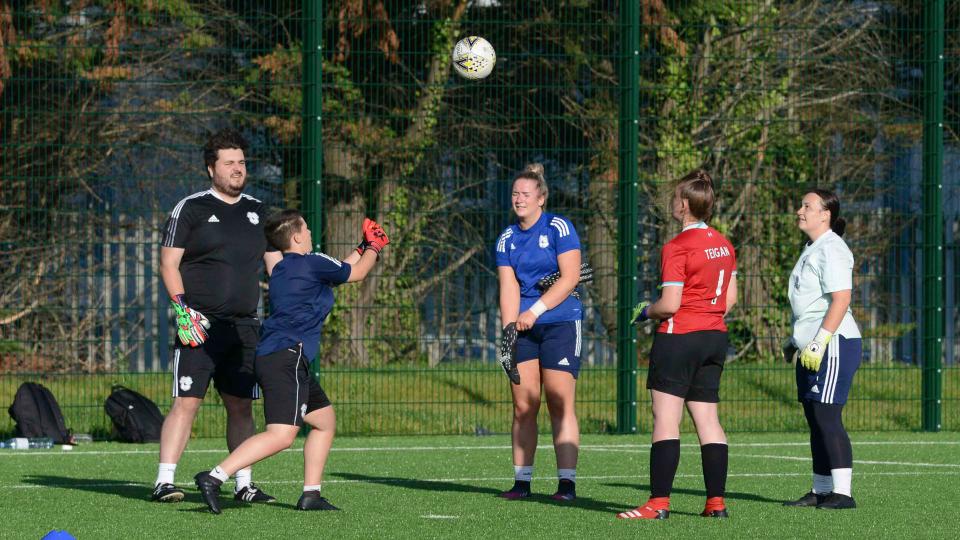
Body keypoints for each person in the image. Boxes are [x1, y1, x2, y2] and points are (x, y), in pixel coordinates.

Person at [194, 210, 389, 513]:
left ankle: (311, 494)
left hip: (279, 356)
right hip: (288, 357)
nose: (310, 232)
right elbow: (358, 273)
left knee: (324, 422)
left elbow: (344, 268)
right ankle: (214, 477)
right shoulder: (312, 262)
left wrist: (363, 246)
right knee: (282, 435)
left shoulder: (285, 268)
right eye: (307, 228)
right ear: (297, 237)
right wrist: (376, 245)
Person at [152, 129, 283, 503]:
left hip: (245, 328)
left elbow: (278, 269)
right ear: (212, 168)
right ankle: (164, 481)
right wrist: (182, 310)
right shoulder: (190, 208)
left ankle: (244, 485)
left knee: (240, 405)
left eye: (241, 162)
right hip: (199, 325)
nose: (237, 169)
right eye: (229, 163)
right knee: (187, 401)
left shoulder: (259, 212)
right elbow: (168, 263)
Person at [619, 169, 737, 520]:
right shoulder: (725, 243)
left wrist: (645, 311)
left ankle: (658, 504)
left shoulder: (676, 247)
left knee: (666, 419)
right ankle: (716, 504)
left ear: (684, 204)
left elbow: (670, 304)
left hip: (680, 337)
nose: (672, 202)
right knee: (708, 419)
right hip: (715, 336)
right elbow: (730, 299)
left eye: (675, 198)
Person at [495, 163, 583, 502]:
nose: (519, 199)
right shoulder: (506, 239)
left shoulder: (559, 227)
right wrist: (508, 332)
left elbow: (570, 277)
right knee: (523, 406)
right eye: (515, 194)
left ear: (541, 198)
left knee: (559, 401)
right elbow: (508, 287)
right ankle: (522, 482)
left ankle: (566, 484)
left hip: (560, 322)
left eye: (526, 194)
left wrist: (534, 311)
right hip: (523, 328)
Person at [782, 189, 860, 510]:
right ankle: (822, 490)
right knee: (815, 416)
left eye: (807, 206)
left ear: (825, 214)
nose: (799, 211)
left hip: (833, 343)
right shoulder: (811, 248)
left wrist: (819, 340)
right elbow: (810, 305)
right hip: (812, 346)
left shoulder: (833, 248)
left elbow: (841, 299)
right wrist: (795, 341)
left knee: (827, 415)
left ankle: (843, 494)